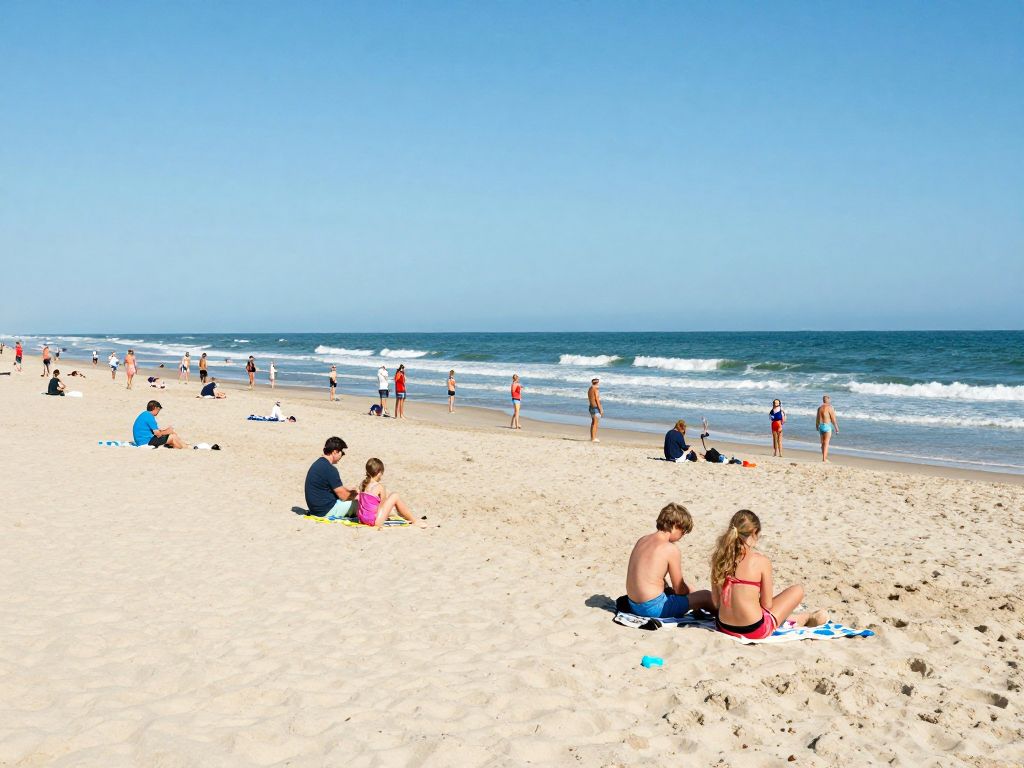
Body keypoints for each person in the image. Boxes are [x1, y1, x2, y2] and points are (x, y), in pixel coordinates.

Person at [710, 509, 828, 640]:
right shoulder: (761, 561)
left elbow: (716, 603)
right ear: (754, 533)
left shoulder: (719, 559)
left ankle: (796, 619)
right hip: (754, 630)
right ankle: (806, 618)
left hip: (724, 627)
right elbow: (767, 605)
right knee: (797, 590)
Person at [625, 503, 713, 618]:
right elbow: (679, 589)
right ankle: (725, 621)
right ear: (676, 526)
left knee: (681, 590)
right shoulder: (670, 549)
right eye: (684, 532)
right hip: (653, 609)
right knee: (706, 596)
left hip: (633, 605)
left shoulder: (642, 540)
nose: (682, 536)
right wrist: (692, 593)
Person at [357, 458, 426, 529]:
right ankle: (414, 520)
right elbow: (382, 507)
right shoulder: (380, 487)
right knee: (395, 496)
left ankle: (406, 516)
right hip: (374, 522)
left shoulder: (363, 484)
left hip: (362, 519)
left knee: (388, 497)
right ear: (379, 473)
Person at [303, 436, 359, 518]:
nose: (342, 455)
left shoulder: (318, 464)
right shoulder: (330, 469)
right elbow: (344, 496)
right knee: (363, 503)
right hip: (327, 510)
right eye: (342, 453)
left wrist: (348, 490)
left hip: (316, 510)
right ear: (335, 452)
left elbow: (330, 488)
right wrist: (356, 494)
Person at [815, 395, 839, 463]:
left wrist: (817, 426)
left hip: (820, 426)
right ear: (828, 400)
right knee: (826, 443)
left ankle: (824, 457)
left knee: (822, 443)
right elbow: (833, 419)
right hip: (827, 426)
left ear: (823, 400)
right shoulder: (830, 408)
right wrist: (836, 428)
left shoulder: (819, 408)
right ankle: (824, 459)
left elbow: (817, 419)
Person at [588, 378, 603, 442]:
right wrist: (601, 409)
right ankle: (593, 438)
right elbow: (597, 399)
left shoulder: (590, 389)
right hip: (595, 408)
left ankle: (592, 437)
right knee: (595, 423)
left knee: (593, 423)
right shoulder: (596, 389)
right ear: (597, 383)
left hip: (591, 407)